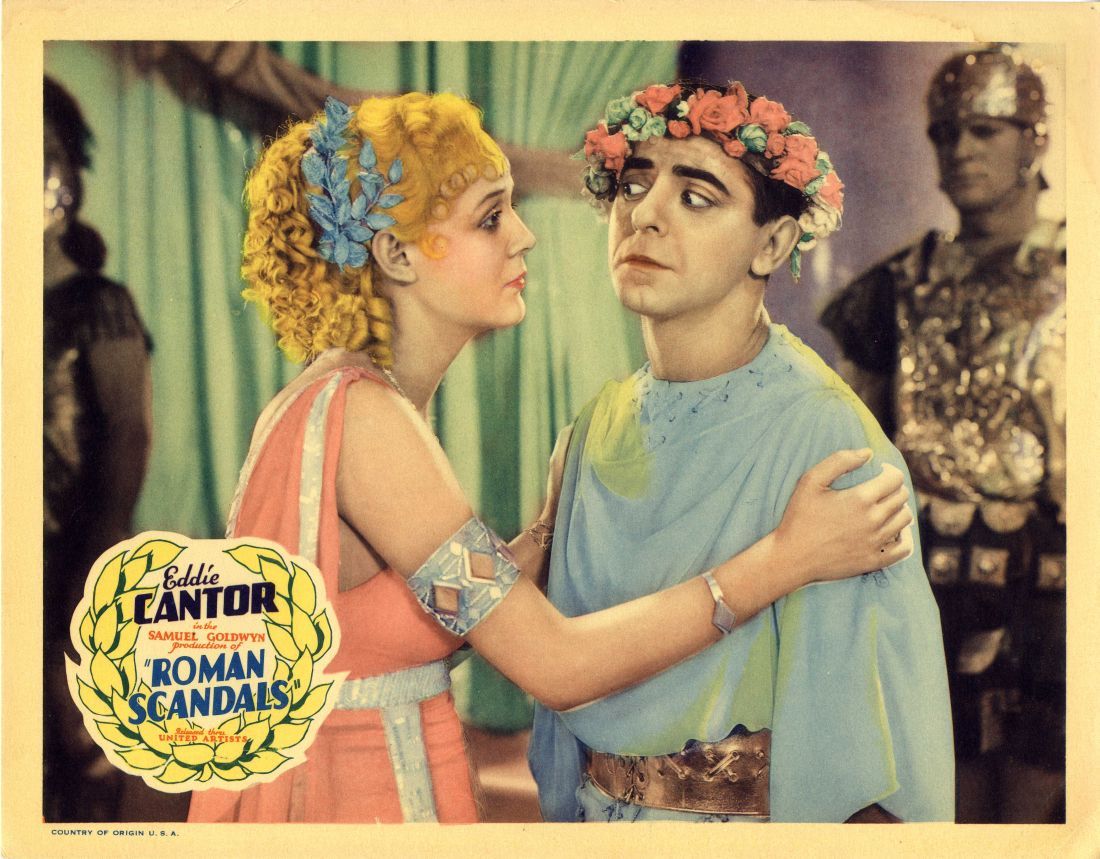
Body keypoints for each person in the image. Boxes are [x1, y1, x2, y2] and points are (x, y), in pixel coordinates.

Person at [186, 92, 915, 824]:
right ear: (397, 255)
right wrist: (786, 558)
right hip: (361, 811)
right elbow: (555, 665)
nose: (525, 236)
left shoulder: (358, 401)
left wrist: (543, 530)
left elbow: (424, 618)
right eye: (490, 217)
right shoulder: (367, 421)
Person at [528, 80, 955, 823]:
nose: (645, 214)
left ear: (773, 245)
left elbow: (869, 764)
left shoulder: (829, 440)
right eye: (633, 185)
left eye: (697, 197)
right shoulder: (593, 426)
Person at [820, 46, 1065, 823]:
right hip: (928, 579)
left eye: (984, 130)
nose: (960, 149)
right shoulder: (898, 285)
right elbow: (851, 446)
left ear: (1033, 139)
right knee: (941, 803)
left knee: (1041, 807)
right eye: (946, 132)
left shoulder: (1080, 272)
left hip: (1055, 588)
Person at [43, 77, 154, 821]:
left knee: (73, 763)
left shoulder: (99, 304)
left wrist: (87, 591)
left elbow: (127, 443)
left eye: (47, 157)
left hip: (66, 570)